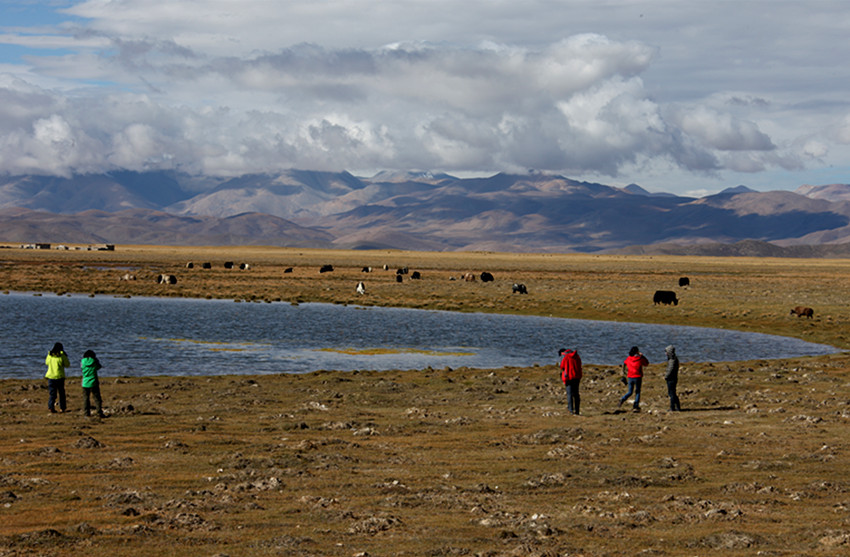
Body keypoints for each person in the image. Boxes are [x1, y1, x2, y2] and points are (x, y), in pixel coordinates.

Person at [619, 346, 649, 412]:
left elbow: (624, 363)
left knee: (630, 392)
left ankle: (622, 399)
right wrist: (642, 356)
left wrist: (623, 371)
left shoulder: (629, 358)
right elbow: (646, 363)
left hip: (630, 376)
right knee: (637, 391)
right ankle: (635, 406)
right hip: (638, 377)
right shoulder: (640, 359)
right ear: (637, 352)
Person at [45, 342, 70, 413]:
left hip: (51, 377)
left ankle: (51, 407)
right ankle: (62, 408)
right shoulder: (61, 355)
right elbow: (67, 364)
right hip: (59, 376)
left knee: (52, 394)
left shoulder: (49, 355)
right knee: (61, 393)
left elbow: (46, 363)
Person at [80, 349, 105, 418]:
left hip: (85, 382)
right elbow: (99, 367)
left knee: (86, 399)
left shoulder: (82, 362)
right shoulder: (94, 361)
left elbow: (82, 368)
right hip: (94, 381)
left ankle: (86, 413)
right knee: (97, 398)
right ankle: (99, 412)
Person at [558, 348, 582, 415]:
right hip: (577, 377)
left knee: (569, 394)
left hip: (568, 377)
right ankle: (577, 410)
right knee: (576, 394)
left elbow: (561, 366)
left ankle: (570, 410)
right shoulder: (577, 356)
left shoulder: (566, 357)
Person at [665, 345, 681, 411]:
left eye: (666, 352)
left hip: (671, 378)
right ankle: (677, 407)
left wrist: (666, 376)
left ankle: (672, 407)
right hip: (673, 377)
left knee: (671, 393)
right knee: (673, 393)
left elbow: (670, 369)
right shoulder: (673, 359)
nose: (665, 353)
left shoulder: (672, 360)